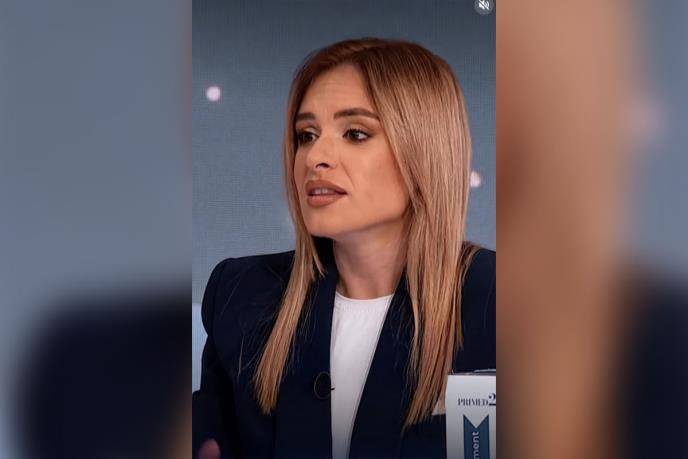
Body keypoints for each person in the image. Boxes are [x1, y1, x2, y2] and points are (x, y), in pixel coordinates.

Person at [193, 37, 495, 459]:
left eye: (355, 133)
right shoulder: (240, 294)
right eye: (306, 135)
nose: (315, 156)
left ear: (424, 150)